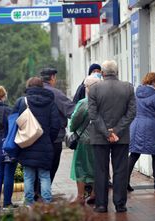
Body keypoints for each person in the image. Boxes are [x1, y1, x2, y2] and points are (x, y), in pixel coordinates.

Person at [88, 60, 135, 213]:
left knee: (101, 170)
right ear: (117, 71)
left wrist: (107, 133)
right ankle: (120, 204)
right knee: (120, 170)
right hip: (121, 137)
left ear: (102, 73)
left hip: (100, 137)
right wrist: (116, 132)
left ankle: (101, 205)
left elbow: (93, 115)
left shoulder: (94, 89)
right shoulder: (128, 88)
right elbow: (131, 113)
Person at [13, 77, 60, 205]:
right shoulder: (51, 103)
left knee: (28, 176)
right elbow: (56, 125)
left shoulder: (21, 102)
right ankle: (47, 202)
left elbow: (13, 123)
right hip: (45, 146)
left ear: (28, 86)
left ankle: (29, 203)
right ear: (42, 87)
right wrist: (48, 139)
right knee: (44, 176)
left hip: (26, 145)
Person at [128, 72, 155, 192]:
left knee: (134, 153)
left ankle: (125, 181)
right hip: (151, 127)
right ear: (154, 82)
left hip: (136, 125)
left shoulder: (136, 94)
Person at [69, 75, 102, 205]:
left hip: (84, 140)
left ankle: (80, 196)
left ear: (88, 88)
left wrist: (73, 128)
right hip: (100, 139)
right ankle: (94, 193)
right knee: (96, 166)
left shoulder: (84, 103)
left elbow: (74, 122)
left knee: (80, 167)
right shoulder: (103, 102)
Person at [40, 67, 75, 184]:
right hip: (55, 138)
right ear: (52, 78)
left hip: (35, 137)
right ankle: (44, 192)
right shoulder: (56, 93)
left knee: (38, 167)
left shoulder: (33, 92)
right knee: (52, 166)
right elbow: (72, 110)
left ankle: (37, 192)